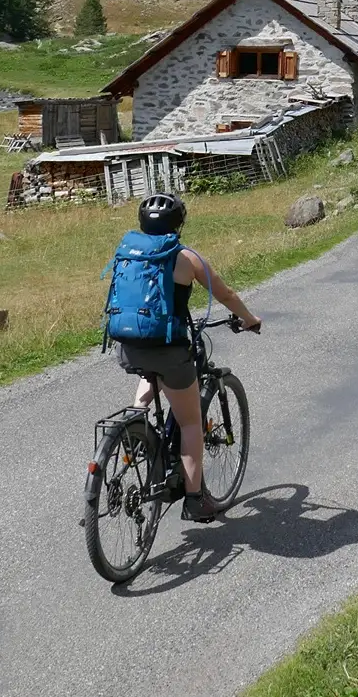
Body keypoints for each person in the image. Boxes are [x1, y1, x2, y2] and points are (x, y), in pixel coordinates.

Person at [113, 193, 261, 521]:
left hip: (127, 345)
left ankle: (137, 421)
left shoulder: (129, 252)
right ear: (178, 224)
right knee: (191, 421)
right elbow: (225, 294)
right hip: (169, 349)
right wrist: (249, 319)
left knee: (149, 371)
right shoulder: (185, 257)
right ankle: (195, 500)